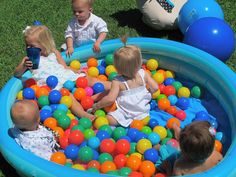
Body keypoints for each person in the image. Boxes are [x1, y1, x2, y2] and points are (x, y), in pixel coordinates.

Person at [14, 25, 110, 121]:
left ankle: (113, 86)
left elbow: (64, 66)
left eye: (32, 46)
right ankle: (83, 114)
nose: (29, 48)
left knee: (87, 79)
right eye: (27, 45)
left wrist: (75, 70)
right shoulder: (29, 59)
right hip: (52, 84)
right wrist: (23, 65)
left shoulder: (54, 52)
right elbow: (17, 74)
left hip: (64, 75)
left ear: (44, 43)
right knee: (67, 96)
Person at [92, 44, 159, 127]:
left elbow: (110, 99)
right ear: (139, 63)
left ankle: (123, 122)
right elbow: (155, 87)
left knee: (108, 119)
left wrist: (97, 105)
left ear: (117, 68)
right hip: (142, 111)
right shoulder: (143, 73)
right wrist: (149, 93)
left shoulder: (117, 81)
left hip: (125, 112)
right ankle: (138, 121)